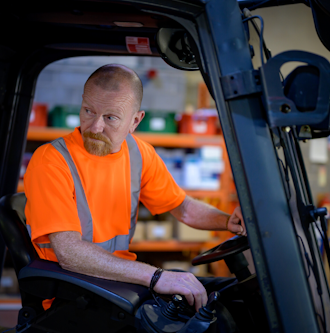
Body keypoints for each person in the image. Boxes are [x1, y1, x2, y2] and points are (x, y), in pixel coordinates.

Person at [24, 64, 247, 314]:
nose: (95, 126)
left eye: (110, 117)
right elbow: (68, 252)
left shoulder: (139, 154)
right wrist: (156, 277)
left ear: (135, 121)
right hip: (72, 291)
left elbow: (182, 208)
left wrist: (228, 222)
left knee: (233, 297)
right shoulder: (52, 160)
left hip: (116, 280)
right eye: (88, 111)